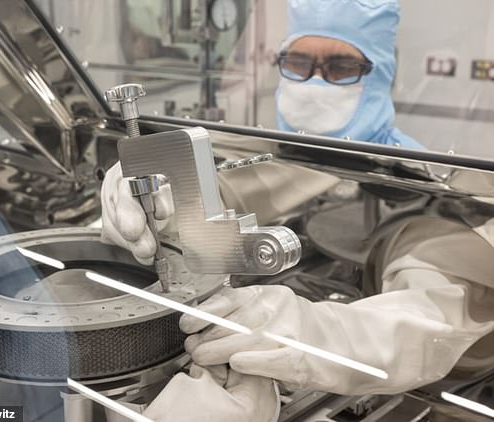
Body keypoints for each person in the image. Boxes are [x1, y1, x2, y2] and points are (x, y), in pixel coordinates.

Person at [101, 1, 494, 421]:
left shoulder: (438, 189)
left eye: (342, 67)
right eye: (298, 61)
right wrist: (150, 195)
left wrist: (310, 335)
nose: (315, 82)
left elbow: (431, 319)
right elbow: (208, 194)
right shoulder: (256, 153)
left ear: (382, 72)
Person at [275, 0, 424, 149]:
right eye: (299, 64)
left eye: (342, 68)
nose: (314, 84)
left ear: (379, 76)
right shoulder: (261, 153)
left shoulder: (413, 167)